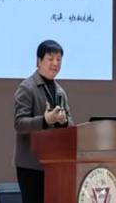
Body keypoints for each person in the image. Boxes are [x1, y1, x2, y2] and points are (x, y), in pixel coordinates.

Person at [14, 40, 73, 203]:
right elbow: (19, 124)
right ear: (39, 61)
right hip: (31, 165)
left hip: (55, 163)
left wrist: (63, 122)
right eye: (50, 58)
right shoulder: (27, 87)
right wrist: (45, 120)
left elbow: (71, 124)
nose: (55, 63)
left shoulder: (60, 91)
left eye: (59, 59)